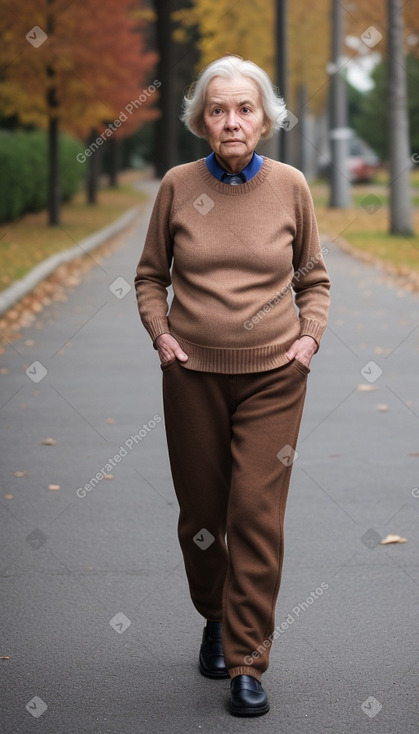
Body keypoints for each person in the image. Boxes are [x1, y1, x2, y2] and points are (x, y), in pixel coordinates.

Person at [134, 54, 330, 717]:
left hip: (275, 375)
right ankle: (212, 617)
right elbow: (148, 276)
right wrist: (162, 337)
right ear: (201, 120)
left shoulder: (291, 186)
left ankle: (247, 660)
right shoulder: (175, 186)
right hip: (192, 377)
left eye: (244, 107)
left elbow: (314, 277)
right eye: (217, 109)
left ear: (265, 118)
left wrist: (306, 342)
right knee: (202, 519)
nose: (231, 120)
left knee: (252, 512)